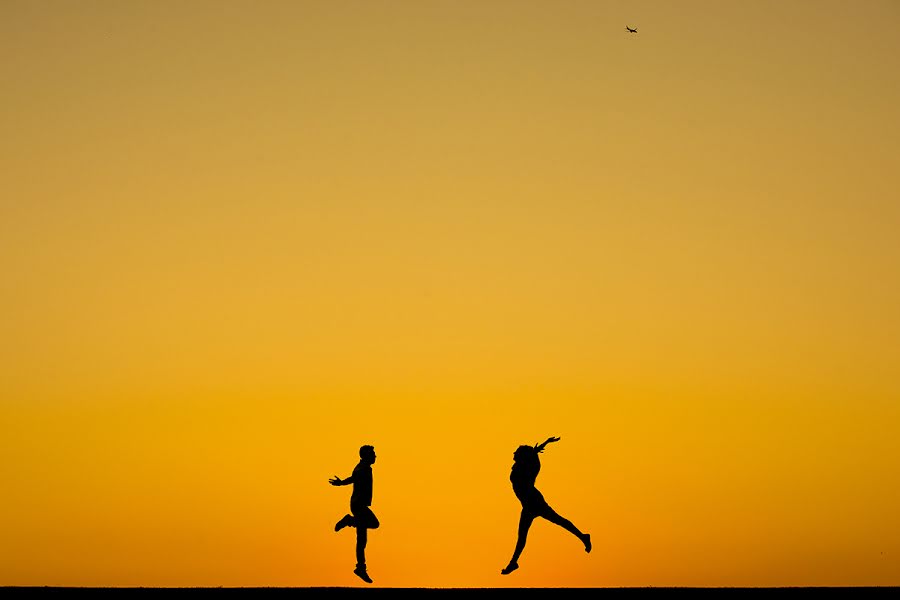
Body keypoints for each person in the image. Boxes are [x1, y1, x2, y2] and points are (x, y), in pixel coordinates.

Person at [501, 436, 591, 575]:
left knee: (558, 521)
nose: (514, 454)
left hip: (534, 502)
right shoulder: (520, 466)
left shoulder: (527, 470)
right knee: (522, 536)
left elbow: (532, 458)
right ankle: (513, 563)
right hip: (527, 505)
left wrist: (538, 449)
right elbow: (532, 453)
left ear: (521, 456)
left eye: (516, 452)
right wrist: (543, 445)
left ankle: (583, 537)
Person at [330, 445, 380, 584]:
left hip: (359, 504)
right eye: (373, 454)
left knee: (362, 540)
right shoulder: (363, 468)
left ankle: (361, 568)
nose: (375, 456)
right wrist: (341, 483)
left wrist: (341, 483)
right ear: (366, 455)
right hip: (359, 505)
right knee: (374, 524)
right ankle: (349, 521)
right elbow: (354, 478)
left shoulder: (363, 467)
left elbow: (353, 478)